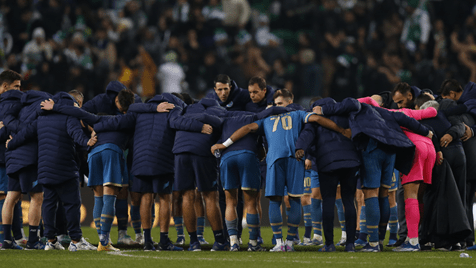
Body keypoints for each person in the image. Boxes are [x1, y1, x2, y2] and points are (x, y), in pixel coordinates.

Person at [212, 105, 351, 252]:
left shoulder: (266, 120)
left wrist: (224, 144)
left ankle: (278, 242)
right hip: (295, 157)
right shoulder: (298, 114)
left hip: (274, 159)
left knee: (274, 200)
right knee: (295, 199)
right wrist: (341, 130)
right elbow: (317, 118)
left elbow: (247, 128)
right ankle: (290, 242)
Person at [7, 92, 98, 251]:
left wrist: (11, 143)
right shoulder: (69, 117)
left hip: (44, 169)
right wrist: (87, 142)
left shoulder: (41, 119)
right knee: (72, 204)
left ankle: (50, 240)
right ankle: (76, 241)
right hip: (65, 168)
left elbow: (24, 134)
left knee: (49, 204)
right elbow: (76, 135)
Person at [297, 97, 360, 252]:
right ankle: (350, 244)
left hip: (327, 163)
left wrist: (301, 148)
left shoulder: (315, 118)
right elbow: (354, 103)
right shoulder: (345, 114)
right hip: (350, 161)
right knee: (349, 201)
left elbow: (307, 135)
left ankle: (329, 244)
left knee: (328, 201)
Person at [173, 98, 228, 251]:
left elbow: (173, 122)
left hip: (180, 151)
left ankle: (193, 242)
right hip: (202, 151)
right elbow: (222, 124)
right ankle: (219, 241)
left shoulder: (184, 112)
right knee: (209, 196)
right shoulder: (218, 111)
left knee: (187, 196)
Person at [2, 87, 52, 250]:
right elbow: (30, 131)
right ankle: (32, 240)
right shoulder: (41, 109)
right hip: (29, 159)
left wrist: (11, 144)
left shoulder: (19, 110)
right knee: (37, 198)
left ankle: (7, 239)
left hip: (12, 159)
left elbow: (11, 129)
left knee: (11, 198)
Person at [0, 70, 24, 250]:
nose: (19, 91)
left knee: (13, 197)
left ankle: (16, 237)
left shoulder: (11, 106)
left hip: (9, 158)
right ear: (5, 87)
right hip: (1, 159)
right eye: (16, 87)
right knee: (5, 197)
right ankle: (3, 239)